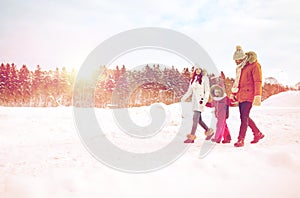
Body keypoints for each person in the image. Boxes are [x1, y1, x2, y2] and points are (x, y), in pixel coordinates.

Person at [231, 46, 265, 147]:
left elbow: (258, 81)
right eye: (235, 60)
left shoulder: (254, 65)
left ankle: (241, 139)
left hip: (249, 95)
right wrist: (234, 94)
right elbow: (238, 83)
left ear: (243, 58)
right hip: (241, 95)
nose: (236, 61)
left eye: (238, 59)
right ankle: (257, 133)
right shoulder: (241, 68)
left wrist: (257, 96)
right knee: (244, 117)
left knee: (244, 117)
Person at [181, 65, 214, 143]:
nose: (198, 71)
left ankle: (191, 138)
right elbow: (190, 91)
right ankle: (209, 132)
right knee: (199, 120)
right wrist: (183, 98)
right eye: (196, 69)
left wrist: (204, 101)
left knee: (195, 119)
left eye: (199, 69)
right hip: (194, 101)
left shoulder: (204, 78)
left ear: (202, 70)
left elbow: (207, 91)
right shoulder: (193, 79)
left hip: (200, 101)